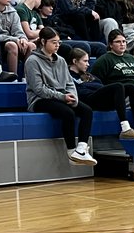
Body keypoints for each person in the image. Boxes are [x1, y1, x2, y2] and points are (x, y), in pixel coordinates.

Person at [24, 27, 97, 166]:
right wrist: (62, 97)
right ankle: (71, 152)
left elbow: (69, 83)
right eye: (54, 42)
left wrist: (73, 97)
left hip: (61, 97)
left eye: (59, 42)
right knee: (68, 113)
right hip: (40, 100)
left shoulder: (62, 61)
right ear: (43, 41)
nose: (57, 45)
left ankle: (81, 149)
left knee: (86, 110)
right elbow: (39, 89)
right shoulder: (32, 61)